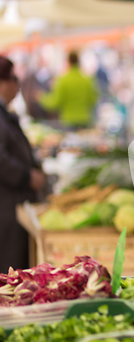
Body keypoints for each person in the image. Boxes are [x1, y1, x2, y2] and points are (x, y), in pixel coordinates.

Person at [0, 56, 46, 272]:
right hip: (7, 207)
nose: (18, 86)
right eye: (14, 80)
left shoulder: (5, 114)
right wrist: (27, 176)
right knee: (10, 269)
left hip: (12, 205)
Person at [39, 51, 99, 128]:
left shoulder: (63, 80)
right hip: (85, 119)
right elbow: (93, 100)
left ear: (68, 62)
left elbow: (55, 102)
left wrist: (42, 98)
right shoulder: (87, 80)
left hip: (68, 121)